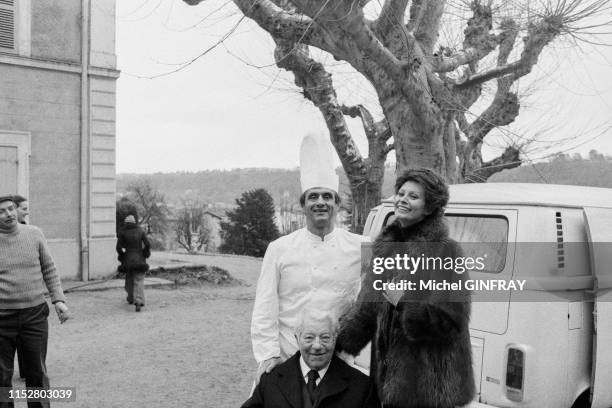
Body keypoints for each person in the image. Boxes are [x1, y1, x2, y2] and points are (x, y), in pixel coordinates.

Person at [336, 168, 475, 408]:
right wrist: (337, 343)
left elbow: (452, 321)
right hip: (388, 383)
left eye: (413, 196)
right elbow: (368, 308)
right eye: (400, 193)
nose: (402, 199)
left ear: (430, 206)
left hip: (429, 388)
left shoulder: (446, 251)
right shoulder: (386, 247)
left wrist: (404, 302)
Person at [251, 134, 367, 382]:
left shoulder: (361, 246)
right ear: (303, 205)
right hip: (287, 357)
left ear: (337, 204)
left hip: (338, 359)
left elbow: (394, 288)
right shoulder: (279, 248)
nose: (320, 203)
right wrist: (268, 354)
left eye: (327, 197)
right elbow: (265, 307)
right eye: (313, 197)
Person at [0, 195, 69, 408]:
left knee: (36, 374)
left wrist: (58, 300)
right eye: (1, 211)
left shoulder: (35, 234)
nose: (8, 214)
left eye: (11, 208)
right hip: (2, 319)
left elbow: (49, 268)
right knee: (2, 378)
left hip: (34, 315)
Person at [243, 308, 379, 408]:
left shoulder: (362, 387)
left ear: (335, 338)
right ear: (297, 338)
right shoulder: (270, 381)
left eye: (325, 337)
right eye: (309, 338)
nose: (317, 345)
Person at [116, 215, 151, 312]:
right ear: (135, 222)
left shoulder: (122, 232)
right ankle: (138, 300)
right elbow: (147, 244)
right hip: (140, 260)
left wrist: (122, 256)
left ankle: (131, 298)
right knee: (139, 280)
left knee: (129, 280)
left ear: (126, 223)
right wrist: (145, 253)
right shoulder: (140, 231)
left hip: (128, 260)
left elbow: (118, 248)